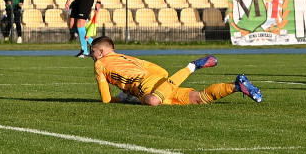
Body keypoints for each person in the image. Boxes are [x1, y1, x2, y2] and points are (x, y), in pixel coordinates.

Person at [90, 37, 263, 105]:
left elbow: (105, 99)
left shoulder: (100, 64)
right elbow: (162, 72)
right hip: (156, 82)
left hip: (146, 86)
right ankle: (237, 86)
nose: (91, 54)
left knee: (152, 101)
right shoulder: (127, 58)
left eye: (92, 51)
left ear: (101, 52)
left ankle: (192, 66)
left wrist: (116, 100)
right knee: (198, 99)